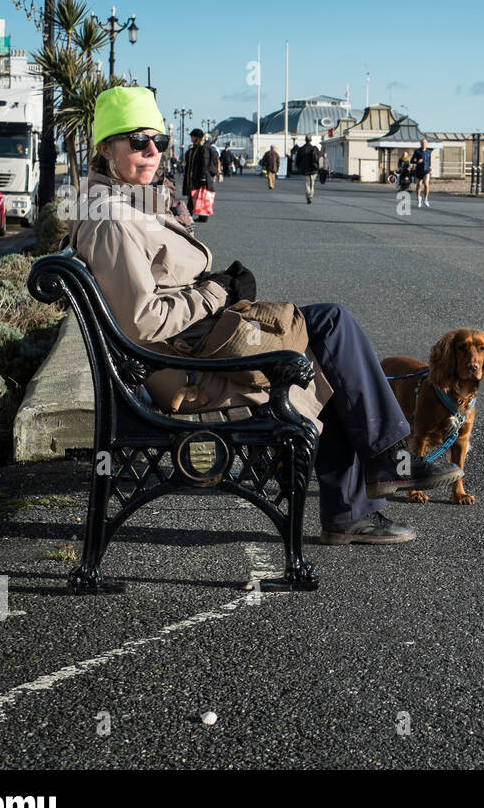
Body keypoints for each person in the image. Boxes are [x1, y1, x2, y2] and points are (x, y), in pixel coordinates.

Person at [68, 86, 461, 543]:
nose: (152, 151)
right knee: (331, 329)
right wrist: (218, 290)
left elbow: (152, 286)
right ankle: (378, 471)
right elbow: (142, 320)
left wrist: (202, 270)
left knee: (331, 349)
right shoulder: (112, 219)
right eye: (137, 141)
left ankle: (365, 488)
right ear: (105, 147)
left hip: (192, 348)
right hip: (186, 370)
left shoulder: (118, 202)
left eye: (159, 140)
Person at [181, 128, 217, 222]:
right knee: (196, 196)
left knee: (197, 196)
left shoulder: (203, 148)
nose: (190, 137)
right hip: (195, 177)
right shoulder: (195, 148)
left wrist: (203, 177)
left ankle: (190, 216)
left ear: (196, 137)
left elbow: (204, 163)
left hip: (200, 177)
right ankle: (199, 216)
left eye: (192, 136)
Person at [295, 134, 322, 204]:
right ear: (311, 140)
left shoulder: (301, 149)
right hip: (313, 169)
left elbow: (297, 160)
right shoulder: (314, 148)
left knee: (306, 183)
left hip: (304, 170)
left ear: (305, 140)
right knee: (312, 184)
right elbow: (318, 158)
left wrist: (298, 167)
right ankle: (311, 195)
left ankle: (308, 196)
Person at [411, 138, 432, 208]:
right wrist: (417, 162)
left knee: (426, 184)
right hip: (419, 171)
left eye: (425, 143)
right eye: (423, 143)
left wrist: (430, 166)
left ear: (426, 144)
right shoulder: (417, 152)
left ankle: (426, 199)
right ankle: (419, 199)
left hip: (426, 170)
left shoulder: (429, 152)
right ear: (420, 144)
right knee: (419, 185)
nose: (424, 144)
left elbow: (429, 160)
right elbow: (411, 161)